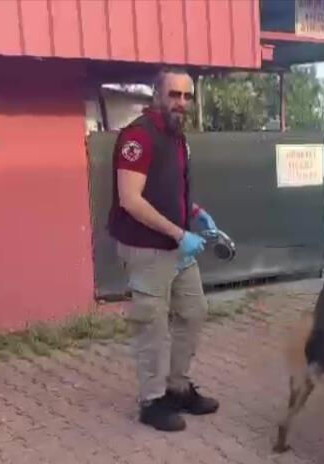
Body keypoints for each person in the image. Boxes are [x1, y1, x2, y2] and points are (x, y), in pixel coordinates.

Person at [108, 68, 219, 432]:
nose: (181, 103)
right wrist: (179, 233)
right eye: (174, 95)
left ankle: (177, 386)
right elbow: (130, 200)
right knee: (151, 324)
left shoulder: (177, 138)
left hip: (176, 245)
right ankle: (152, 401)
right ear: (157, 95)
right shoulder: (138, 137)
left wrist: (196, 214)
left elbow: (171, 191)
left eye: (187, 96)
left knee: (193, 312)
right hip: (147, 249)